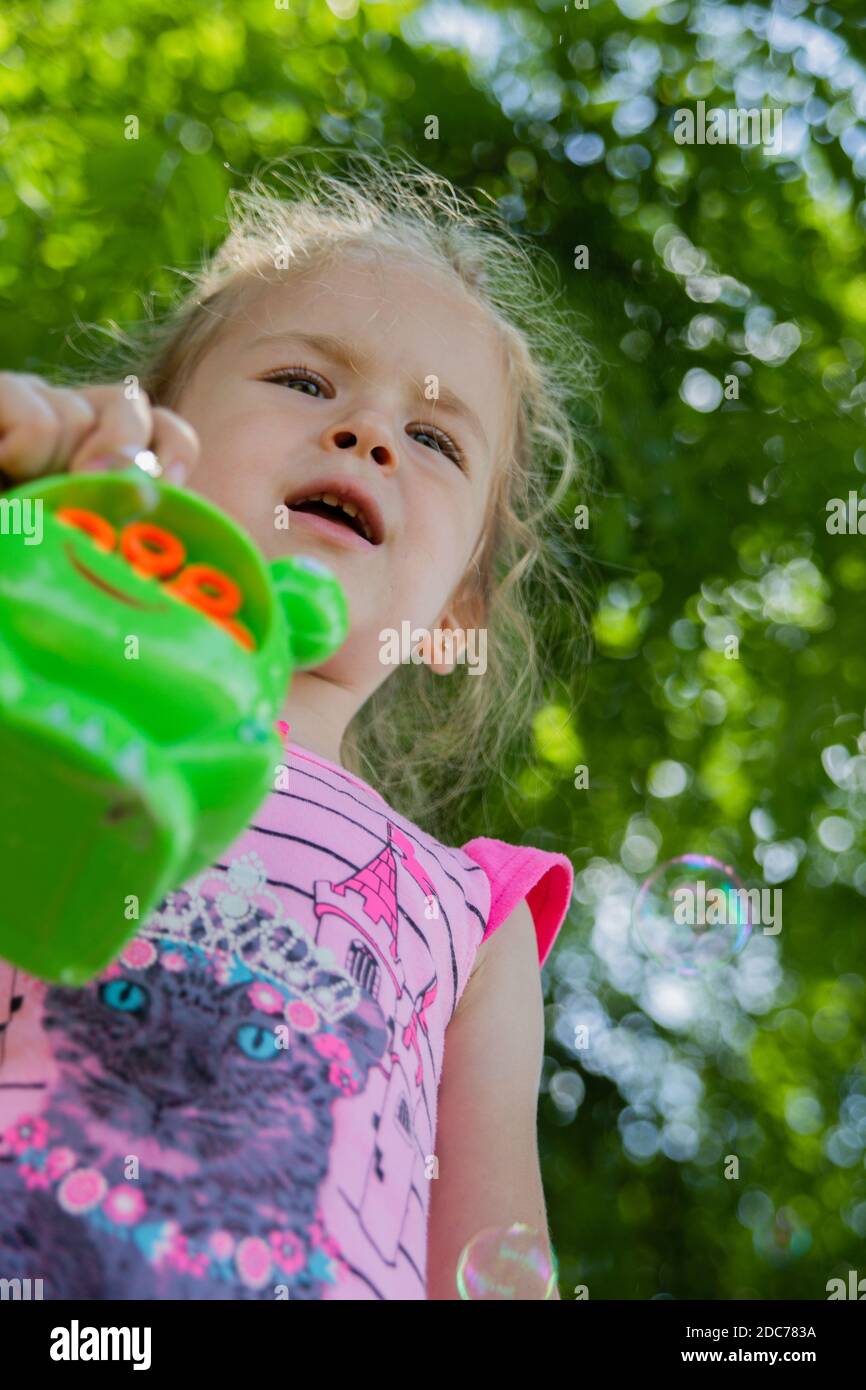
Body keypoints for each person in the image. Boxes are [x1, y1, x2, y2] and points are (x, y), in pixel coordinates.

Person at [0, 151, 595, 1300]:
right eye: (307, 382)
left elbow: (494, 1268)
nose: (369, 435)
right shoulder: (42, 700)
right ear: (155, 453)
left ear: (455, 606)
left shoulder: (472, 913)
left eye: (433, 439)